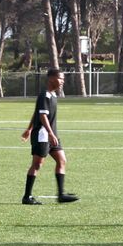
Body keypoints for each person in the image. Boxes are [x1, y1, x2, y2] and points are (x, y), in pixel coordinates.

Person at [21, 69, 79, 204]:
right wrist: (48, 133)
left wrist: (28, 129)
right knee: (37, 165)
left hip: (52, 135)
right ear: (51, 78)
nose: (62, 81)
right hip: (43, 135)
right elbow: (41, 115)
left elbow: (36, 113)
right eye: (60, 78)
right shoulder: (44, 95)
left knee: (62, 160)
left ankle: (61, 194)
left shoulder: (53, 95)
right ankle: (27, 197)